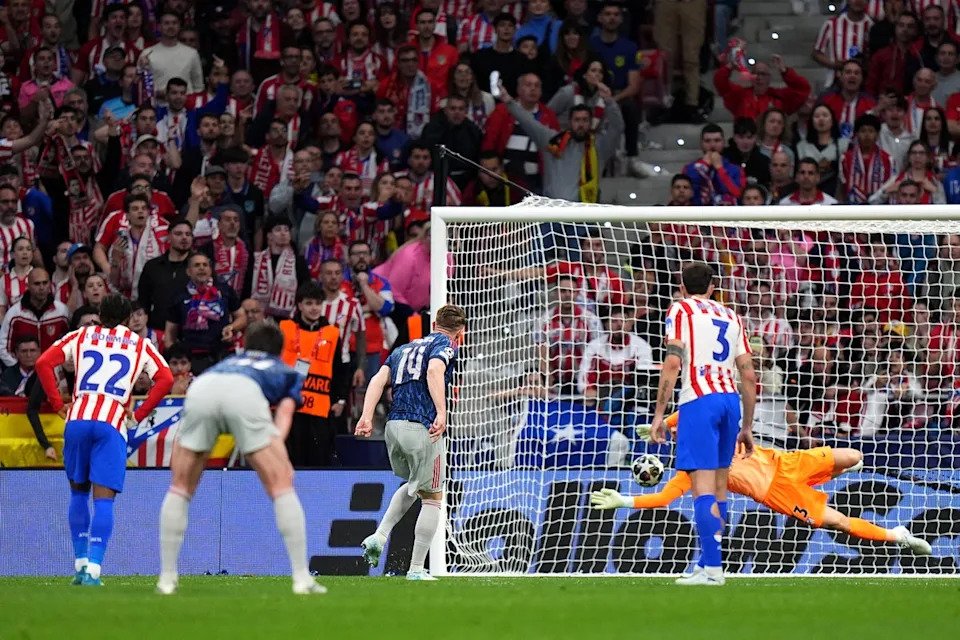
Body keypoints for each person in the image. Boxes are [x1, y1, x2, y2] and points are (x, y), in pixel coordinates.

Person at [592, 420, 933, 559]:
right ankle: (898, 535)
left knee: (854, 455)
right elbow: (665, 497)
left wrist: (660, 424)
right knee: (839, 522)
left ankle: (833, 472)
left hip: (785, 462)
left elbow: (686, 413)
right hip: (778, 494)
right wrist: (624, 499)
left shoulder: (708, 426)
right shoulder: (692, 472)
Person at [156, 321, 326, 595]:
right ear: (279, 352)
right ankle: (301, 577)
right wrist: (273, 450)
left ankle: (166, 579)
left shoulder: (227, 361)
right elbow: (284, 413)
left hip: (203, 388)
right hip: (244, 393)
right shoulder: (283, 370)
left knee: (180, 487)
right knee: (282, 483)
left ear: (246, 346)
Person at [34, 294, 173, 586]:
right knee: (104, 501)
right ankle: (94, 571)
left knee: (78, 493)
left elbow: (44, 362)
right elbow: (166, 379)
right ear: (126, 320)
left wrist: (57, 402)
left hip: (78, 418)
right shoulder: (139, 344)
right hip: (111, 422)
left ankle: (80, 565)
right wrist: (140, 410)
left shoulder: (82, 335)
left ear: (99, 313)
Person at [648, 262, 757, 586]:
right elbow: (749, 376)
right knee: (721, 487)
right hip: (729, 402)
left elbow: (672, 362)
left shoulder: (681, 310)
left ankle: (712, 569)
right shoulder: (732, 317)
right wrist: (747, 425)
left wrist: (658, 414)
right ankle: (709, 564)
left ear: (682, 286)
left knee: (702, 488)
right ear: (712, 286)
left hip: (699, 401)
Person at [354, 304, 466, 580]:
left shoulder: (403, 348)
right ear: (460, 333)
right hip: (422, 427)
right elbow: (434, 372)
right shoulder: (446, 345)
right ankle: (416, 569)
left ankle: (379, 536)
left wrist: (367, 416)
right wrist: (441, 411)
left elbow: (378, 380)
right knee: (433, 497)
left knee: (416, 484)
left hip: (393, 427)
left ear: (433, 324)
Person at [497, 81, 624, 202]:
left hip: (585, 215)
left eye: (585, 120)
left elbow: (617, 127)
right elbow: (530, 123)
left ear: (590, 123)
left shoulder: (600, 146)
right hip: (553, 213)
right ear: (570, 122)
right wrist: (509, 102)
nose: (581, 124)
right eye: (577, 120)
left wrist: (609, 101)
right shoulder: (553, 141)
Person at [278, 282, 351, 467]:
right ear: (300, 305)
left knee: (319, 459)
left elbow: (341, 369)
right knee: (291, 460)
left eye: (317, 303)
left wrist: (340, 399)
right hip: (291, 405)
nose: (314, 308)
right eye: (309, 303)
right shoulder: (284, 329)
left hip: (320, 407)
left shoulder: (332, 333)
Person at [682, 124, 745, 206]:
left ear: (723, 142)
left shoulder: (736, 170)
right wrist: (703, 165)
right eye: (707, 141)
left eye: (717, 140)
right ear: (701, 143)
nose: (712, 145)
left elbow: (738, 195)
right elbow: (689, 194)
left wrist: (720, 169)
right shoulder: (689, 168)